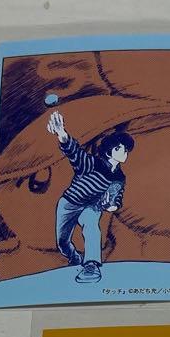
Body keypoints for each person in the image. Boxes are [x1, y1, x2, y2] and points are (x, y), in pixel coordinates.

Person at [47, 110, 134, 283]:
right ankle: (74, 257)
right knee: (62, 242)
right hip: (69, 203)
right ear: (109, 151)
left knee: (92, 227)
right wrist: (62, 133)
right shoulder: (91, 163)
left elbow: (116, 198)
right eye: (119, 149)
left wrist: (111, 206)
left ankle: (91, 266)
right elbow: (74, 152)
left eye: (125, 150)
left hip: (91, 207)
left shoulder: (119, 177)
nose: (123, 152)